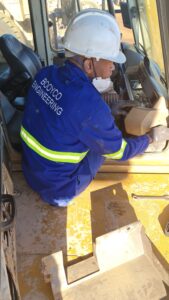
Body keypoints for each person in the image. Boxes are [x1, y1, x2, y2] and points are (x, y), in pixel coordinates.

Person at [21, 9, 152, 207]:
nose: (113, 68)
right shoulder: (90, 107)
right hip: (58, 189)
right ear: (90, 64)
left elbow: (69, 110)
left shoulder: (46, 74)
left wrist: (108, 111)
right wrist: (150, 138)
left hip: (31, 170)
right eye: (110, 60)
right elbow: (120, 152)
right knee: (103, 148)